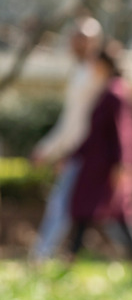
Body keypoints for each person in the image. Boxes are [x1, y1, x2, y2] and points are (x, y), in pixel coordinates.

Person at [66, 43, 132, 273]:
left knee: (122, 214)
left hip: (109, 169)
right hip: (97, 167)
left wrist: (122, 165)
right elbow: (95, 133)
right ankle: (69, 258)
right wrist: (73, 156)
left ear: (104, 64)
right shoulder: (108, 91)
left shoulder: (116, 92)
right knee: (86, 212)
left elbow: (122, 133)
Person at [29, 16, 105, 263]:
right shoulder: (81, 73)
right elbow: (70, 120)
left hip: (86, 154)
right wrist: (51, 149)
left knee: (62, 206)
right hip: (78, 153)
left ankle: (41, 257)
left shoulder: (96, 74)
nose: (77, 43)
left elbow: (78, 123)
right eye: (75, 38)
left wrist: (52, 150)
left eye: (84, 38)